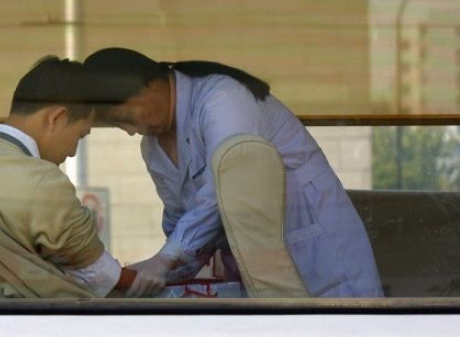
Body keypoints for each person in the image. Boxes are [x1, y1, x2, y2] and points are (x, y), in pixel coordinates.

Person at [84, 47, 383, 298]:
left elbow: (222, 193)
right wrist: (150, 271)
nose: (130, 132)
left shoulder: (222, 99)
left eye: (126, 118)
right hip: (260, 269)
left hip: (316, 246)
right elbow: (181, 224)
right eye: (119, 126)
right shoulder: (153, 148)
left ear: (149, 86)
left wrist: (166, 258)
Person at [0, 56, 137, 299]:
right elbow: (102, 278)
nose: (72, 151)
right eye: (80, 135)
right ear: (56, 118)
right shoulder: (43, 183)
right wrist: (159, 274)